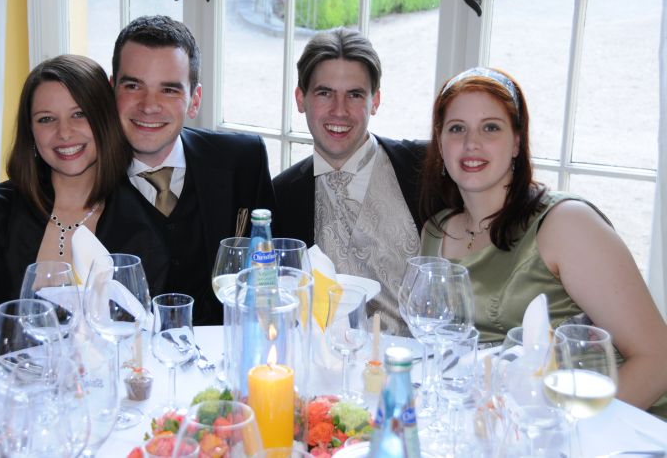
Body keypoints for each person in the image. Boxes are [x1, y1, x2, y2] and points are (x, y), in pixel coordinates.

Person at [418, 66, 667, 415]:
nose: (472, 143)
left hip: (607, 421)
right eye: (457, 128)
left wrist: (572, 435)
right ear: (440, 141)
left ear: (517, 142)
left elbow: (658, 360)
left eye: (491, 127)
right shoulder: (435, 232)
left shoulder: (566, 224)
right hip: (497, 424)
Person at [0, 55, 165, 336]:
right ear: (31, 132)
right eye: (46, 119)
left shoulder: (141, 227)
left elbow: (149, 337)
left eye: (79, 114)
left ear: (104, 120)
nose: (64, 133)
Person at [110, 15, 275, 325]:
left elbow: (273, 277)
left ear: (194, 100)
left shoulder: (244, 162)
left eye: (169, 90)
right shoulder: (85, 179)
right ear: (112, 90)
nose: (149, 106)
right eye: (133, 86)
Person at [272, 28, 426, 336]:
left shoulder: (423, 168)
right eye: (324, 93)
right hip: (328, 361)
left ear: (375, 101)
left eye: (354, 95)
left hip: (423, 359)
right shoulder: (280, 195)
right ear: (301, 99)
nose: (339, 111)